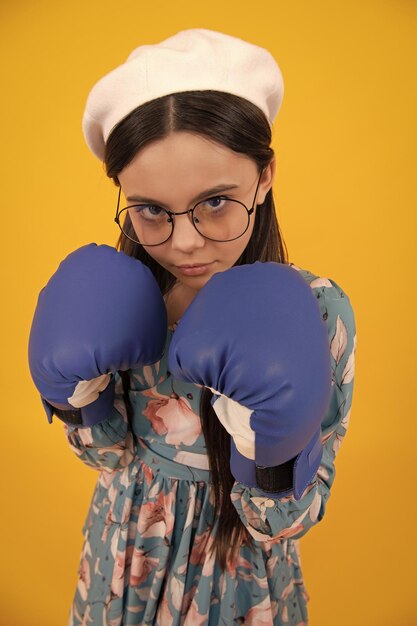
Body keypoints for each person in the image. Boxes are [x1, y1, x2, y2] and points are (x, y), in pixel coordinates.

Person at [28, 28, 357, 626]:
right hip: (123, 553)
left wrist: (269, 451)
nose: (183, 242)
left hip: (236, 574)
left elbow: (282, 521)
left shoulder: (319, 310)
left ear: (264, 177)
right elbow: (109, 458)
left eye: (215, 202)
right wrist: (80, 402)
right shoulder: (126, 293)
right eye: (151, 210)